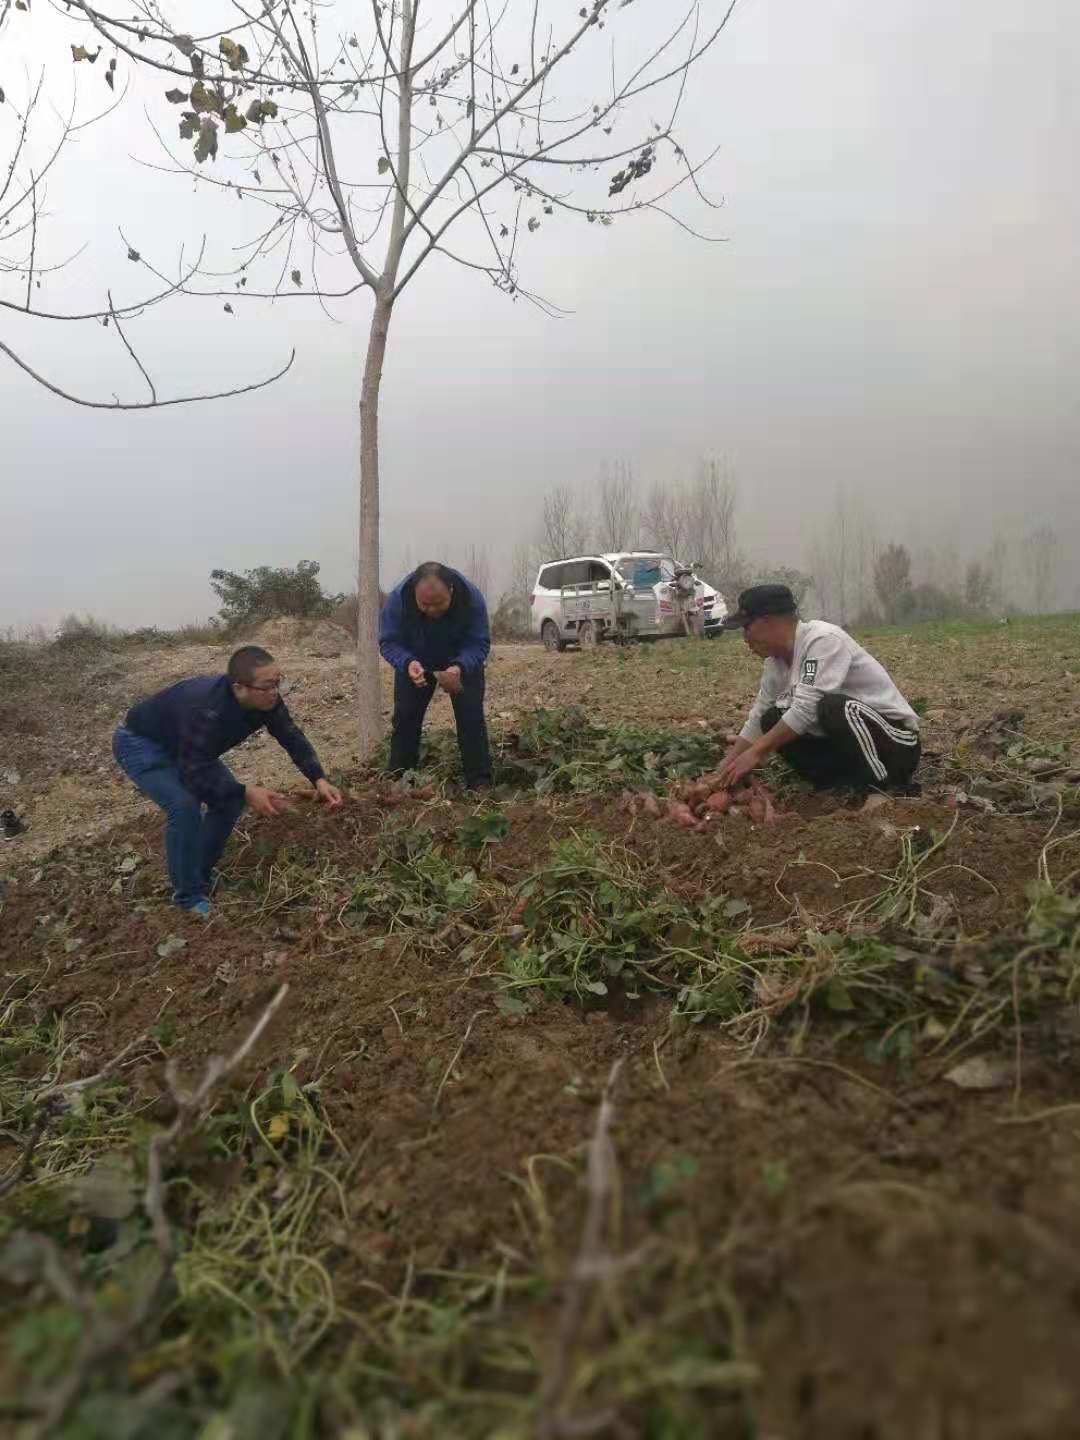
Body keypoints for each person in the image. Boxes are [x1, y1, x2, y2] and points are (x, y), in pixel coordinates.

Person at [112, 646, 342, 915]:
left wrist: (318, 778)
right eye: (267, 686)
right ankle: (187, 897)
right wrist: (245, 792)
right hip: (142, 743)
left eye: (278, 683)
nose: (274, 692)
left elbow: (290, 735)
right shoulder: (205, 708)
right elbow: (193, 772)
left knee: (228, 801)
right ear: (239, 688)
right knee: (184, 806)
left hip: (189, 746)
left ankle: (199, 877)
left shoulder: (266, 700)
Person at [715, 584, 921, 792]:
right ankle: (837, 786)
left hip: (896, 743)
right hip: (851, 748)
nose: (745, 638)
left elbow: (806, 710)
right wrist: (725, 768)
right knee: (771, 718)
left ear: (769, 621)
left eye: (747, 628)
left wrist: (755, 753)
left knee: (831, 707)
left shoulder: (823, 640)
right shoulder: (775, 663)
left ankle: (885, 787)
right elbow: (758, 715)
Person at [379, 561, 492, 788]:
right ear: (414, 592)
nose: (431, 611)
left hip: (461, 661)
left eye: (439, 604)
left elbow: (479, 642)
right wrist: (407, 662)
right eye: (424, 605)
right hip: (416, 662)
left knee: (471, 718)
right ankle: (400, 780)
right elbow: (389, 642)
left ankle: (479, 783)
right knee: (405, 718)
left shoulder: (470, 598)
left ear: (451, 590)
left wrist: (459, 666)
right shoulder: (398, 599)